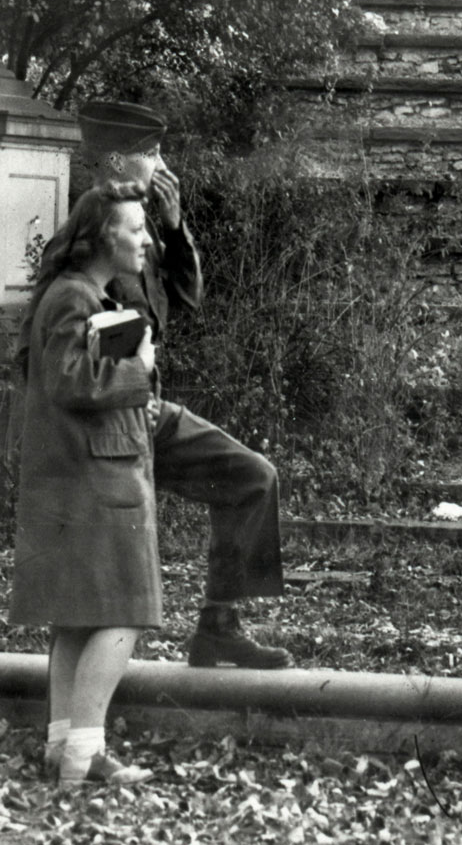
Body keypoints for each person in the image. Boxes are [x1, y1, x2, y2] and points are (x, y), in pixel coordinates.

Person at [77, 102, 291, 670]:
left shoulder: (137, 225)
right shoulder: (93, 231)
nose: (162, 163)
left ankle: (219, 625)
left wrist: (174, 227)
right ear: (118, 158)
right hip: (103, 429)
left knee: (251, 478)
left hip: (145, 413)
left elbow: (188, 296)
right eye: (152, 153)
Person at [12, 189, 159, 787]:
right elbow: (74, 382)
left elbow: (66, 384)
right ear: (105, 238)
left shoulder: (76, 294)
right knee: (124, 611)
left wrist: (133, 402)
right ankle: (85, 754)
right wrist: (139, 371)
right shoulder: (75, 296)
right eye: (138, 229)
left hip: (76, 473)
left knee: (75, 617)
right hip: (97, 479)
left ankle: (62, 749)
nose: (147, 239)